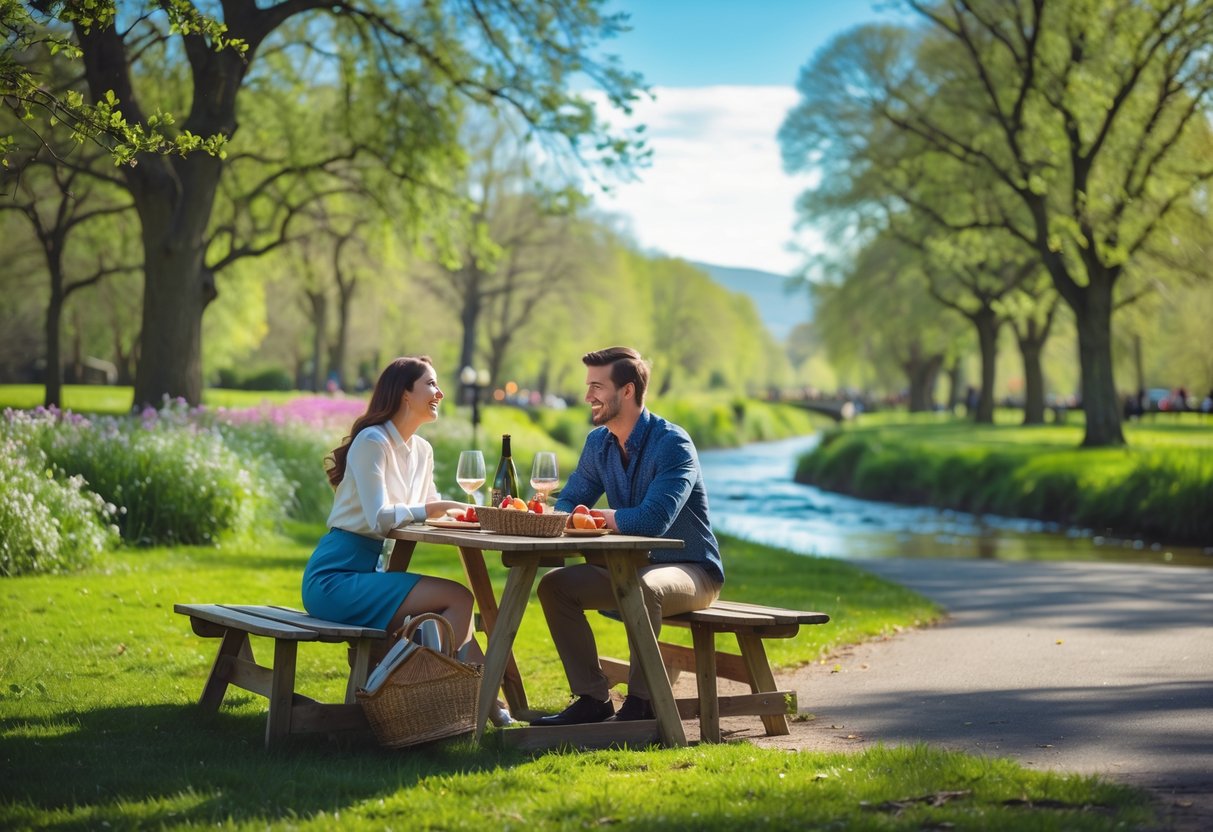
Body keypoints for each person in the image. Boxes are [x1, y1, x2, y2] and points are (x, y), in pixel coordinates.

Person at [301, 356, 512, 723]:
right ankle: (469, 707)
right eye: (430, 384)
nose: (439, 392)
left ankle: (488, 709)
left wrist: (474, 516)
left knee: (450, 607)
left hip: (372, 572)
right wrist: (435, 508)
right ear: (404, 393)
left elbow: (431, 507)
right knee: (459, 598)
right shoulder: (372, 441)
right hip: (335, 577)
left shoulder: (422, 451)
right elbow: (380, 518)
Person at [532, 346, 724, 726]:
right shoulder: (597, 443)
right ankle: (592, 699)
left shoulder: (673, 444)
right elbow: (570, 500)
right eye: (588, 386)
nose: (588, 396)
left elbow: (653, 520)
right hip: (628, 571)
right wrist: (553, 513)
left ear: (628, 391)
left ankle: (643, 704)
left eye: (597, 386)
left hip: (692, 570)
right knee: (555, 587)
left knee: (644, 588)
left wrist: (593, 518)